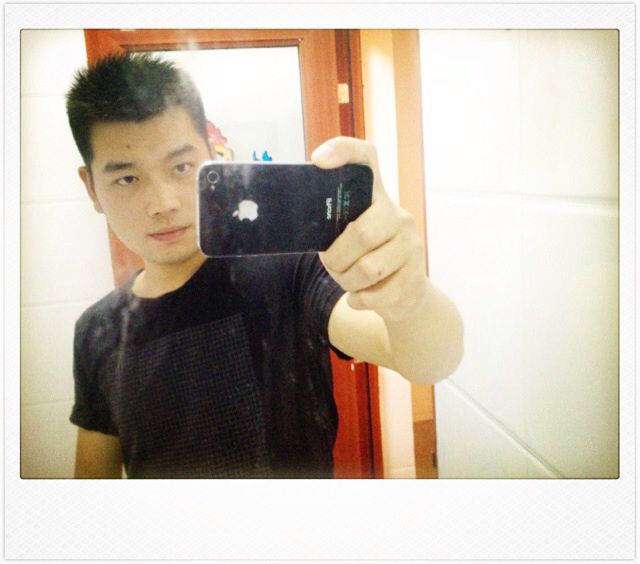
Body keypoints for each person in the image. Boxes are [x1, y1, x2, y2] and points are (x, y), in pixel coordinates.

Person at [66, 52, 463, 479]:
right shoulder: (97, 330)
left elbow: (427, 361)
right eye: (126, 178)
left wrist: (409, 296)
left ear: (213, 157)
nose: (162, 203)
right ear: (91, 188)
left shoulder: (288, 269)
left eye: (181, 167)